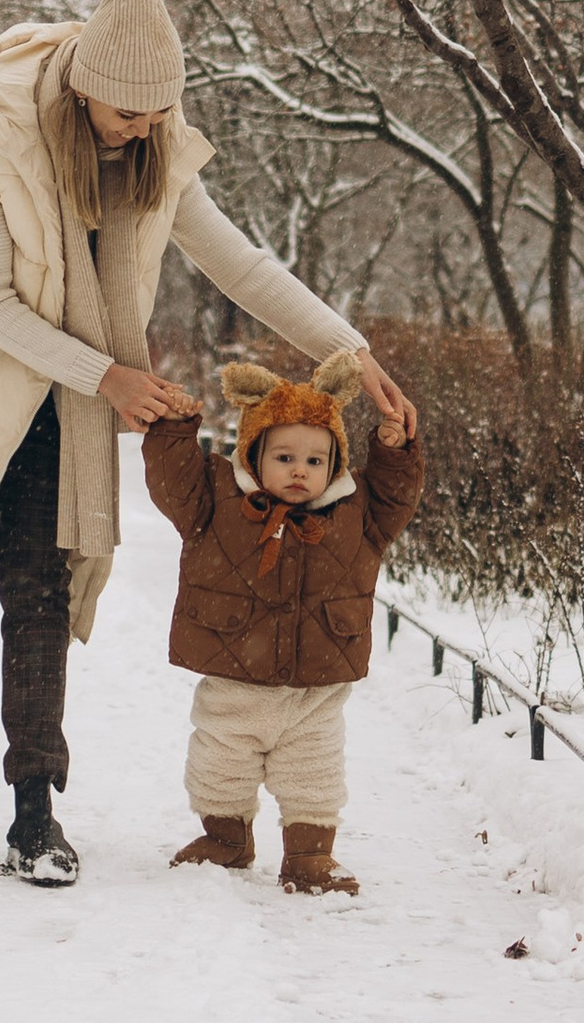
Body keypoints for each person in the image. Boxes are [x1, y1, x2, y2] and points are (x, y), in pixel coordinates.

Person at [0, 0, 417, 879]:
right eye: (126, 112)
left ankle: (32, 810)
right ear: (84, 85)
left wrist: (351, 349)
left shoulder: (154, 145)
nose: (141, 128)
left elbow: (238, 263)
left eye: (156, 112)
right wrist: (110, 376)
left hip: (54, 397)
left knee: (39, 592)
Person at [140, 350, 424, 893]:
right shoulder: (216, 502)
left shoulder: (358, 511)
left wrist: (394, 452)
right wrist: (175, 427)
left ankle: (310, 854)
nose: (300, 470)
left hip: (312, 694)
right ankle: (226, 838)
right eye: (285, 457)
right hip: (233, 683)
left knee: (313, 775)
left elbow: (397, 494)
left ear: (336, 464)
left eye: (316, 461)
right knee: (219, 766)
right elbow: (175, 481)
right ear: (253, 455)